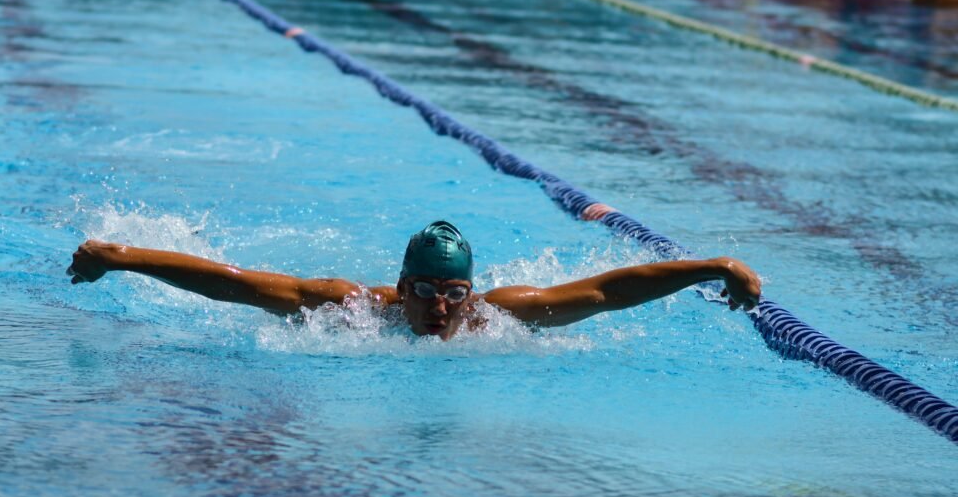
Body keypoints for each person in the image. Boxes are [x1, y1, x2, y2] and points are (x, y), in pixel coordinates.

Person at [67, 220, 762, 341]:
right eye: (424, 291)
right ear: (401, 288)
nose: (438, 307)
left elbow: (610, 290)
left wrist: (713, 264)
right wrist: (123, 256)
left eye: (453, 293)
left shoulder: (496, 317)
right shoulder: (352, 311)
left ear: (471, 291)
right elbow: (236, 283)